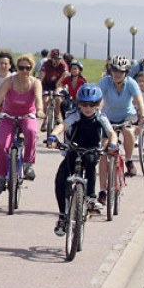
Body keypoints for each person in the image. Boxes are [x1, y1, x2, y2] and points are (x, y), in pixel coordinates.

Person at [46, 84, 117, 235]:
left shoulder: (100, 117)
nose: (88, 108)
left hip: (91, 149)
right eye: (84, 104)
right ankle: (63, 216)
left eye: (92, 104)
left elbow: (111, 132)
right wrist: (53, 135)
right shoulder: (75, 115)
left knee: (91, 162)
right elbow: (63, 125)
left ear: (98, 104)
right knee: (61, 178)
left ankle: (91, 197)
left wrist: (113, 143)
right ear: (79, 103)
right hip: (74, 149)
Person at [0, 54, 45, 196]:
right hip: (8, 116)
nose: (24, 71)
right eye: (21, 68)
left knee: (31, 132)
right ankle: (1, 177)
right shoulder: (9, 81)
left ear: (31, 69)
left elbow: (39, 99)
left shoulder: (35, 83)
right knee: (2, 146)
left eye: (27, 68)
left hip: (27, 115)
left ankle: (28, 164)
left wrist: (39, 110)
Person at [97, 55, 144, 196]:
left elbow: (139, 101)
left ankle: (129, 161)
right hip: (108, 118)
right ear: (110, 70)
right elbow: (98, 100)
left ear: (126, 72)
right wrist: (96, 114)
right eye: (114, 70)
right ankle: (102, 190)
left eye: (121, 71)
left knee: (128, 131)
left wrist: (142, 116)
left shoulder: (131, 83)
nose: (117, 74)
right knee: (104, 150)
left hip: (127, 115)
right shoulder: (105, 82)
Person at [38, 48, 70, 130]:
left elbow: (64, 77)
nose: (57, 61)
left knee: (58, 98)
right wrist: (38, 88)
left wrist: (60, 82)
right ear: (51, 58)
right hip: (46, 84)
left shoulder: (63, 65)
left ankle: (57, 116)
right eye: (55, 59)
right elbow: (41, 77)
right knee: (45, 100)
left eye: (59, 59)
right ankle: (44, 120)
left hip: (58, 84)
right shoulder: (46, 64)